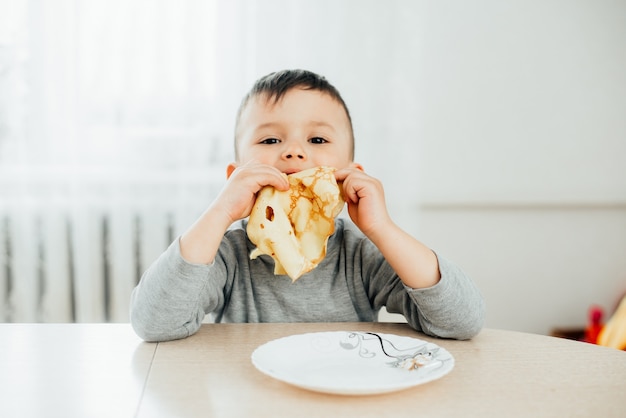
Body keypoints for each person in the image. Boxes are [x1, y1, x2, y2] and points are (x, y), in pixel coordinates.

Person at [130, 69, 485, 342]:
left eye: (317, 139)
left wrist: (382, 229)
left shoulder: (359, 255)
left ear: (349, 175)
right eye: (270, 139)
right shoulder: (228, 253)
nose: (294, 152)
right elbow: (155, 324)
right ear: (236, 176)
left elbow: (462, 322)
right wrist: (219, 212)